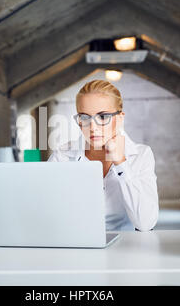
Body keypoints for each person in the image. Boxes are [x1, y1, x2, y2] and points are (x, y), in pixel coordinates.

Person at [48, 79, 159, 231]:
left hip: (126, 248)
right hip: (76, 244)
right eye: (85, 117)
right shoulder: (62, 157)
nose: (93, 127)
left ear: (120, 118)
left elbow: (145, 223)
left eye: (103, 117)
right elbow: (47, 213)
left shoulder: (140, 155)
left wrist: (121, 162)